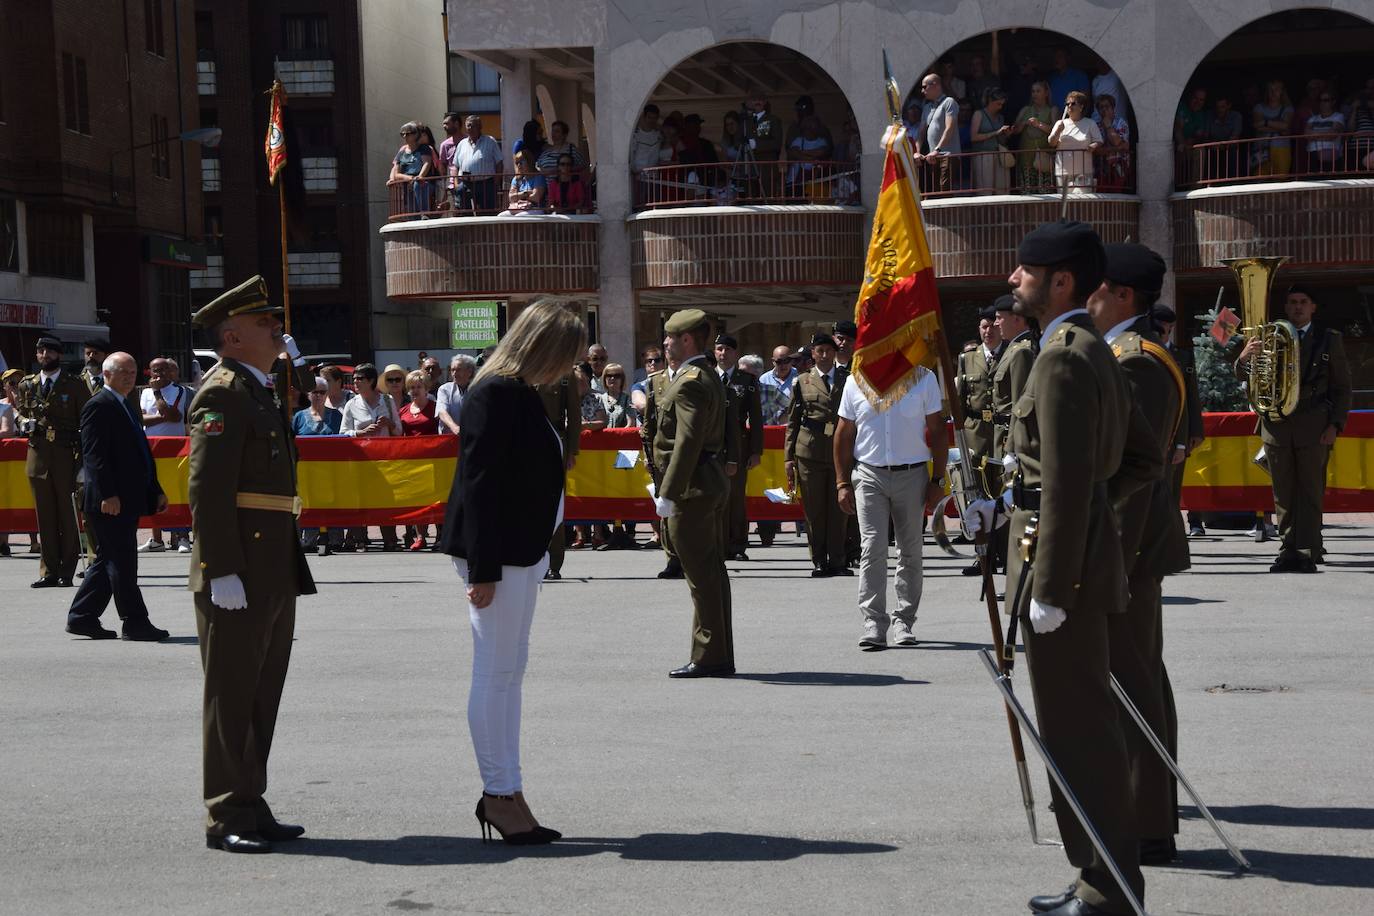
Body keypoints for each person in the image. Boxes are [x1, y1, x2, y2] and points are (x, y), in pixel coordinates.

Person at [979, 220, 1145, 916]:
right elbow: (1134, 463)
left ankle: (1109, 886)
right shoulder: (1087, 349)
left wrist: (1050, 585)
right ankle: (1094, 877)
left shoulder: (1061, 358)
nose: (1014, 279)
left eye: (1026, 270)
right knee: (1082, 731)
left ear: (1062, 281)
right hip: (1072, 561)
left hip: (1062, 580)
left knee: (1082, 737)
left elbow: (1071, 485)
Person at [439, 298, 582, 846]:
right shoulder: (494, 391)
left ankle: (510, 789)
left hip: (519, 550)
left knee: (509, 673)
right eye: (563, 355)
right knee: (495, 674)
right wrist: (482, 568)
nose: (567, 368)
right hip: (496, 554)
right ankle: (498, 793)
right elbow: (478, 482)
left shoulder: (518, 390)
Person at [187, 275, 316, 854]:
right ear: (233, 336)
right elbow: (207, 489)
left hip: (270, 560)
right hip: (238, 563)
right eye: (266, 322)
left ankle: (250, 799)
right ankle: (225, 812)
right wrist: (220, 567)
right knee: (231, 692)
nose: (277, 329)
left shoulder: (258, 388)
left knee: (263, 689)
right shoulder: (223, 392)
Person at [1087, 242, 1190, 867]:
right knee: (1138, 677)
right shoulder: (1123, 355)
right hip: (1129, 552)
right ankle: (1144, 813)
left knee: (1135, 684)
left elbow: (1132, 478)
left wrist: (1107, 564)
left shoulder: (1137, 363)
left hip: (1129, 553)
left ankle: (1149, 821)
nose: (1088, 298)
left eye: (1097, 288)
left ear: (1123, 294)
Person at [833, 348, 945, 649]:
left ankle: (904, 621)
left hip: (913, 475)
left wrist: (938, 479)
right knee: (872, 547)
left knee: (910, 549)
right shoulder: (856, 381)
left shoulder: (924, 378)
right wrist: (842, 482)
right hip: (869, 474)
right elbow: (843, 433)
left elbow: (937, 430)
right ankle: (873, 621)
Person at [1235, 286, 1351, 572]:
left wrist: (1335, 424)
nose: (1297, 307)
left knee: (1310, 491)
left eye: (1303, 302)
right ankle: (1287, 549)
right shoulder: (1266, 337)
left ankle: (1307, 549)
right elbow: (1245, 376)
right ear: (1285, 308)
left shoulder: (1328, 339)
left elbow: (1342, 388)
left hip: (1314, 423)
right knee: (1283, 493)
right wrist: (1245, 357)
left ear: (1313, 307)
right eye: (1292, 303)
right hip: (1276, 424)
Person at [64, 352, 170, 641]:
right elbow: (95, 456)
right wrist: (107, 494)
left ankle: (82, 616)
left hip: (126, 497)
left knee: (110, 558)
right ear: (107, 374)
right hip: (108, 500)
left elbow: (139, 453)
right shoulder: (98, 405)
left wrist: (155, 489)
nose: (129, 376)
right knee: (122, 561)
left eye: (134, 371)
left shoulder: (125, 404)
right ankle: (135, 622)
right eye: (123, 371)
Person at [655, 308, 733, 678]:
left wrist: (668, 492)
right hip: (707, 480)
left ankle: (709, 656)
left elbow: (687, 441)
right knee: (711, 572)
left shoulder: (689, 381)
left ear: (686, 339)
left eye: (670, 337)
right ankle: (717, 651)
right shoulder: (706, 375)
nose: (665, 343)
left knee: (701, 576)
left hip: (692, 488)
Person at [14, 334, 90, 588]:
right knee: (44, 516)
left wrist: (83, 460)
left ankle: (66, 572)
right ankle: (48, 570)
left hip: (66, 454)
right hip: (37, 455)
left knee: (67, 515)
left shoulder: (75, 384)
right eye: (41, 352)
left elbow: (86, 422)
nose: (45, 356)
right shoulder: (27, 384)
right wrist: (21, 422)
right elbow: (20, 413)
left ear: (59, 355)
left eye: (50, 352)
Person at [785, 333, 851, 578]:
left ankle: (838, 560)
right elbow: (792, 421)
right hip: (809, 451)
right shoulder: (802, 381)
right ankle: (819, 560)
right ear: (812, 354)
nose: (824, 355)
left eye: (828, 350)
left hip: (840, 451)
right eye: (819, 350)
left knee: (839, 509)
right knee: (814, 510)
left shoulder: (848, 379)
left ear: (835, 353)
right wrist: (789, 458)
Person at [339, 363, 400, 551]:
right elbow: (343, 433)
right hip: (361, 459)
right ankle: (358, 538)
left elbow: (399, 431)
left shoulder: (388, 401)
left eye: (360, 378)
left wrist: (388, 424)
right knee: (360, 500)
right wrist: (361, 432)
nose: (355, 382)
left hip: (384, 459)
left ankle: (390, 539)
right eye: (354, 378)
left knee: (385, 499)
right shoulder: (351, 404)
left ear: (371, 381)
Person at [714, 334, 762, 560]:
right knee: (714, 496)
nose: (723, 353)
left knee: (735, 498)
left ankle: (737, 545)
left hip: (739, 445)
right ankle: (717, 544)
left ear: (735, 353)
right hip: (712, 445)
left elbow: (756, 417)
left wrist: (755, 451)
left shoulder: (747, 380)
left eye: (727, 349)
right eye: (719, 349)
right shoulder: (707, 377)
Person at [140, 356, 191, 554]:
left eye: (163, 370)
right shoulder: (143, 393)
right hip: (151, 448)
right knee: (154, 490)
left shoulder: (178, 391)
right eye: (155, 370)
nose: (159, 374)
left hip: (173, 449)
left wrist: (157, 393)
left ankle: (182, 537)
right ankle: (156, 539)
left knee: (177, 490)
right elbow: (141, 417)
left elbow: (173, 416)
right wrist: (160, 416)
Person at [535, 367, 581, 581]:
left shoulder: (564, 372)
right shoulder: (523, 367)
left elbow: (573, 413)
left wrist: (571, 450)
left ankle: (553, 563)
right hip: (526, 443)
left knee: (554, 505)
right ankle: (532, 559)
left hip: (554, 443)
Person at [293, 377, 344, 556]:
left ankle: (336, 539)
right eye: (314, 391)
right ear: (308, 394)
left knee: (332, 502)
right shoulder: (299, 417)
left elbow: (345, 440)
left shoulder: (336, 415)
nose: (318, 395)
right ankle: (309, 539)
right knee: (307, 504)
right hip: (306, 472)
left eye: (322, 392)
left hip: (331, 471)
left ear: (327, 394)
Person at [1049, 91, 1102, 192]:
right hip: (1063, 172)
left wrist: (1093, 146)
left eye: (1073, 103)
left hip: (1084, 171)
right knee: (1065, 203)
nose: (1069, 106)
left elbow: (1099, 140)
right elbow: (1051, 143)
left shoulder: (1090, 123)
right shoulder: (1060, 123)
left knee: (1082, 201)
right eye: (1067, 104)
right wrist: (1057, 131)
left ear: (1081, 107)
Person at [917, 73, 961, 192]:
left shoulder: (949, 102)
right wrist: (917, 152)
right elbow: (921, 133)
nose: (922, 91)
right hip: (932, 158)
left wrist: (937, 150)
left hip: (948, 155)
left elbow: (950, 128)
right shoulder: (927, 107)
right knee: (934, 193)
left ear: (935, 85)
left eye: (925, 87)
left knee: (945, 192)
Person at [452, 115, 503, 212]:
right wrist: (456, 184)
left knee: (487, 214)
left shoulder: (490, 141)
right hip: (465, 183)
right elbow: (455, 166)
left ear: (480, 127)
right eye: (468, 126)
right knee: (463, 213)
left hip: (485, 183)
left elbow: (499, 163)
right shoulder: (462, 144)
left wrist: (496, 182)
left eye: (473, 126)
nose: (470, 128)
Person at [1013, 81, 1058, 192]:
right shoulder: (1025, 110)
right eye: (1033, 91)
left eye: (1038, 91)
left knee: (1046, 193)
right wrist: (1024, 123)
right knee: (1027, 193)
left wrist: (1039, 124)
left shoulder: (1052, 110)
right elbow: (1014, 130)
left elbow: (1056, 131)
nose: (1035, 94)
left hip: (1044, 159)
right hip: (1026, 159)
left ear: (1046, 93)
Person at [970, 88, 1013, 193]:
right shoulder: (979, 114)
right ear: (990, 101)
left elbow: (1001, 139)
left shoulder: (1000, 117)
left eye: (1002, 104)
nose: (1000, 107)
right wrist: (996, 132)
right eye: (998, 104)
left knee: (1002, 189)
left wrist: (1007, 135)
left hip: (998, 154)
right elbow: (973, 137)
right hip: (983, 155)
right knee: (985, 189)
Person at [388, 121, 436, 215]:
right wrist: (409, 179)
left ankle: (424, 213)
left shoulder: (424, 148)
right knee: (411, 211)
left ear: (416, 134)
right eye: (403, 134)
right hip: (408, 184)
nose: (405, 136)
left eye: (408, 134)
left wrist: (420, 177)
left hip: (423, 183)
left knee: (418, 185)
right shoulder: (402, 152)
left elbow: (427, 163)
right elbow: (396, 172)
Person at [1253, 80, 1295, 176]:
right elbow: (1257, 126)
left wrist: (1265, 122)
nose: (1273, 93)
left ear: (1282, 91)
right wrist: (1280, 128)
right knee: (1259, 179)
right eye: (1270, 90)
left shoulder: (1288, 108)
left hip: (1282, 149)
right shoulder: (1259, 107)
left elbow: (1286, 125)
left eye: (1276, 89)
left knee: (1281, 180)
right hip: (1261, 149)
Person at [1093, 94, 1132, 192]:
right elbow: (1097, 150)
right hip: (1102, 168)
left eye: (1107, 106)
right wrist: (1117, 148)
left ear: (1113, 108)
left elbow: (1116, 141)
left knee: (1117, 193)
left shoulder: (1121, 123)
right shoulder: (1096, 126)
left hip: (1119, 167)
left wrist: (1108, 126)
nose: (1104, 110)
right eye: (1101, 107)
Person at [1305, 91, 1345, 173]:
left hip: (1330, 154)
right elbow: (1306, 134)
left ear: (1333, 102)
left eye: (1326, 100)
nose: (1322, 103)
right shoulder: (1312, 118)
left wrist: (1314, 134)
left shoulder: (1338, 116)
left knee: (1329, 179)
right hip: (1313, 153)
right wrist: (1325, 133)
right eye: (1320, 100)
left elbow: (1332, 135)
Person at [437, 354, 476, 435]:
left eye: (458, 370)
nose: (454, 373)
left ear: (469, 372)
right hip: (450, 440)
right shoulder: (444, 389)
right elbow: (441, 411)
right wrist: (454, 427)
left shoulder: (478, 389)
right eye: (452, 370)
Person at [502, 151, 546, 215]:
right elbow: (511, 197)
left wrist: (518, 196)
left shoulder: (538, 177)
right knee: (502, 216)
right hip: (518, 207)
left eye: (521, 162)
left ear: (529, 162)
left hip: (535, 208)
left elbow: (536, 198)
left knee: (520, 217)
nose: (519, 165)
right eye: (517, 163)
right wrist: (526, 193)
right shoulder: (516, 179)